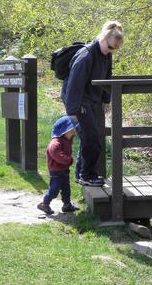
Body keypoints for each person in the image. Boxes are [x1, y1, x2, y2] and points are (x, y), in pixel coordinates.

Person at [61, 20, 123, 187]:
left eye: (115, 49)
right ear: (102, 38)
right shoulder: (85, 56)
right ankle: (87, 174)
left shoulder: (106, 55)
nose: (111, 52)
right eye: (110, 47)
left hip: (89, 98)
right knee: (92, 138)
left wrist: (106, 99)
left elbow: (106, 77)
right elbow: (74, 85)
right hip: (77, 99)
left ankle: (81, 174)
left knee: (89, 137)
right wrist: (72, 111)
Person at [37, 116, 79, 215]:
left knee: (66, 189)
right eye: (71, 131)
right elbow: (58, 156)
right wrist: (69, 160)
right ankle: (45, 204)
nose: (73, 133)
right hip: (56, 171)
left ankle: (67, 205)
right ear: (64, 131)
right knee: (54, 190)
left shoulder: (66, 140)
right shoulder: (55, 144)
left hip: (64, 170)